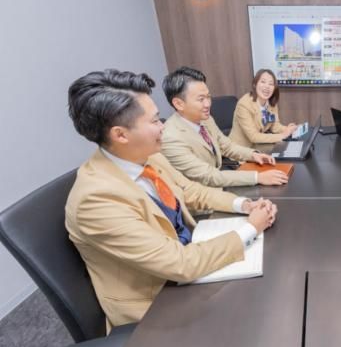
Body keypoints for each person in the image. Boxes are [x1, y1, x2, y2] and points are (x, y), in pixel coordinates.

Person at [65, 69, 277, 330]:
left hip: (187, 261)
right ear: (120, 135)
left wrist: (243, 205)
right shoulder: (95, 200)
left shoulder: (148, 155)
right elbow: (180, 263)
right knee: (257, 314)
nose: (163, 126)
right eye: (155, 121)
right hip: (158, 304)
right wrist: (251, 228)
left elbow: (191, 191)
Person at [160, 67, 288, 187]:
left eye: (208, 97)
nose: (208, 104)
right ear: (179, 104)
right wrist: (257, 177)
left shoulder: (206, 119)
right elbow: (208, 175)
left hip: (218, 182)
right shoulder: (170, 137)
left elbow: (227, 146)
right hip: (203, 195)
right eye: (201, 99)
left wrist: (253, 155)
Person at [229, 69, 298, 147]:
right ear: (255, 84)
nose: (267, 86)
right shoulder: (244, 104)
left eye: (271, 84)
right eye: (263, 82)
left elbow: (275, 126)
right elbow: (254, 136)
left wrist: (289, 129)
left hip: (259, 146)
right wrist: (283, 135)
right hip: (240, 149)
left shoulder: (271, 103)